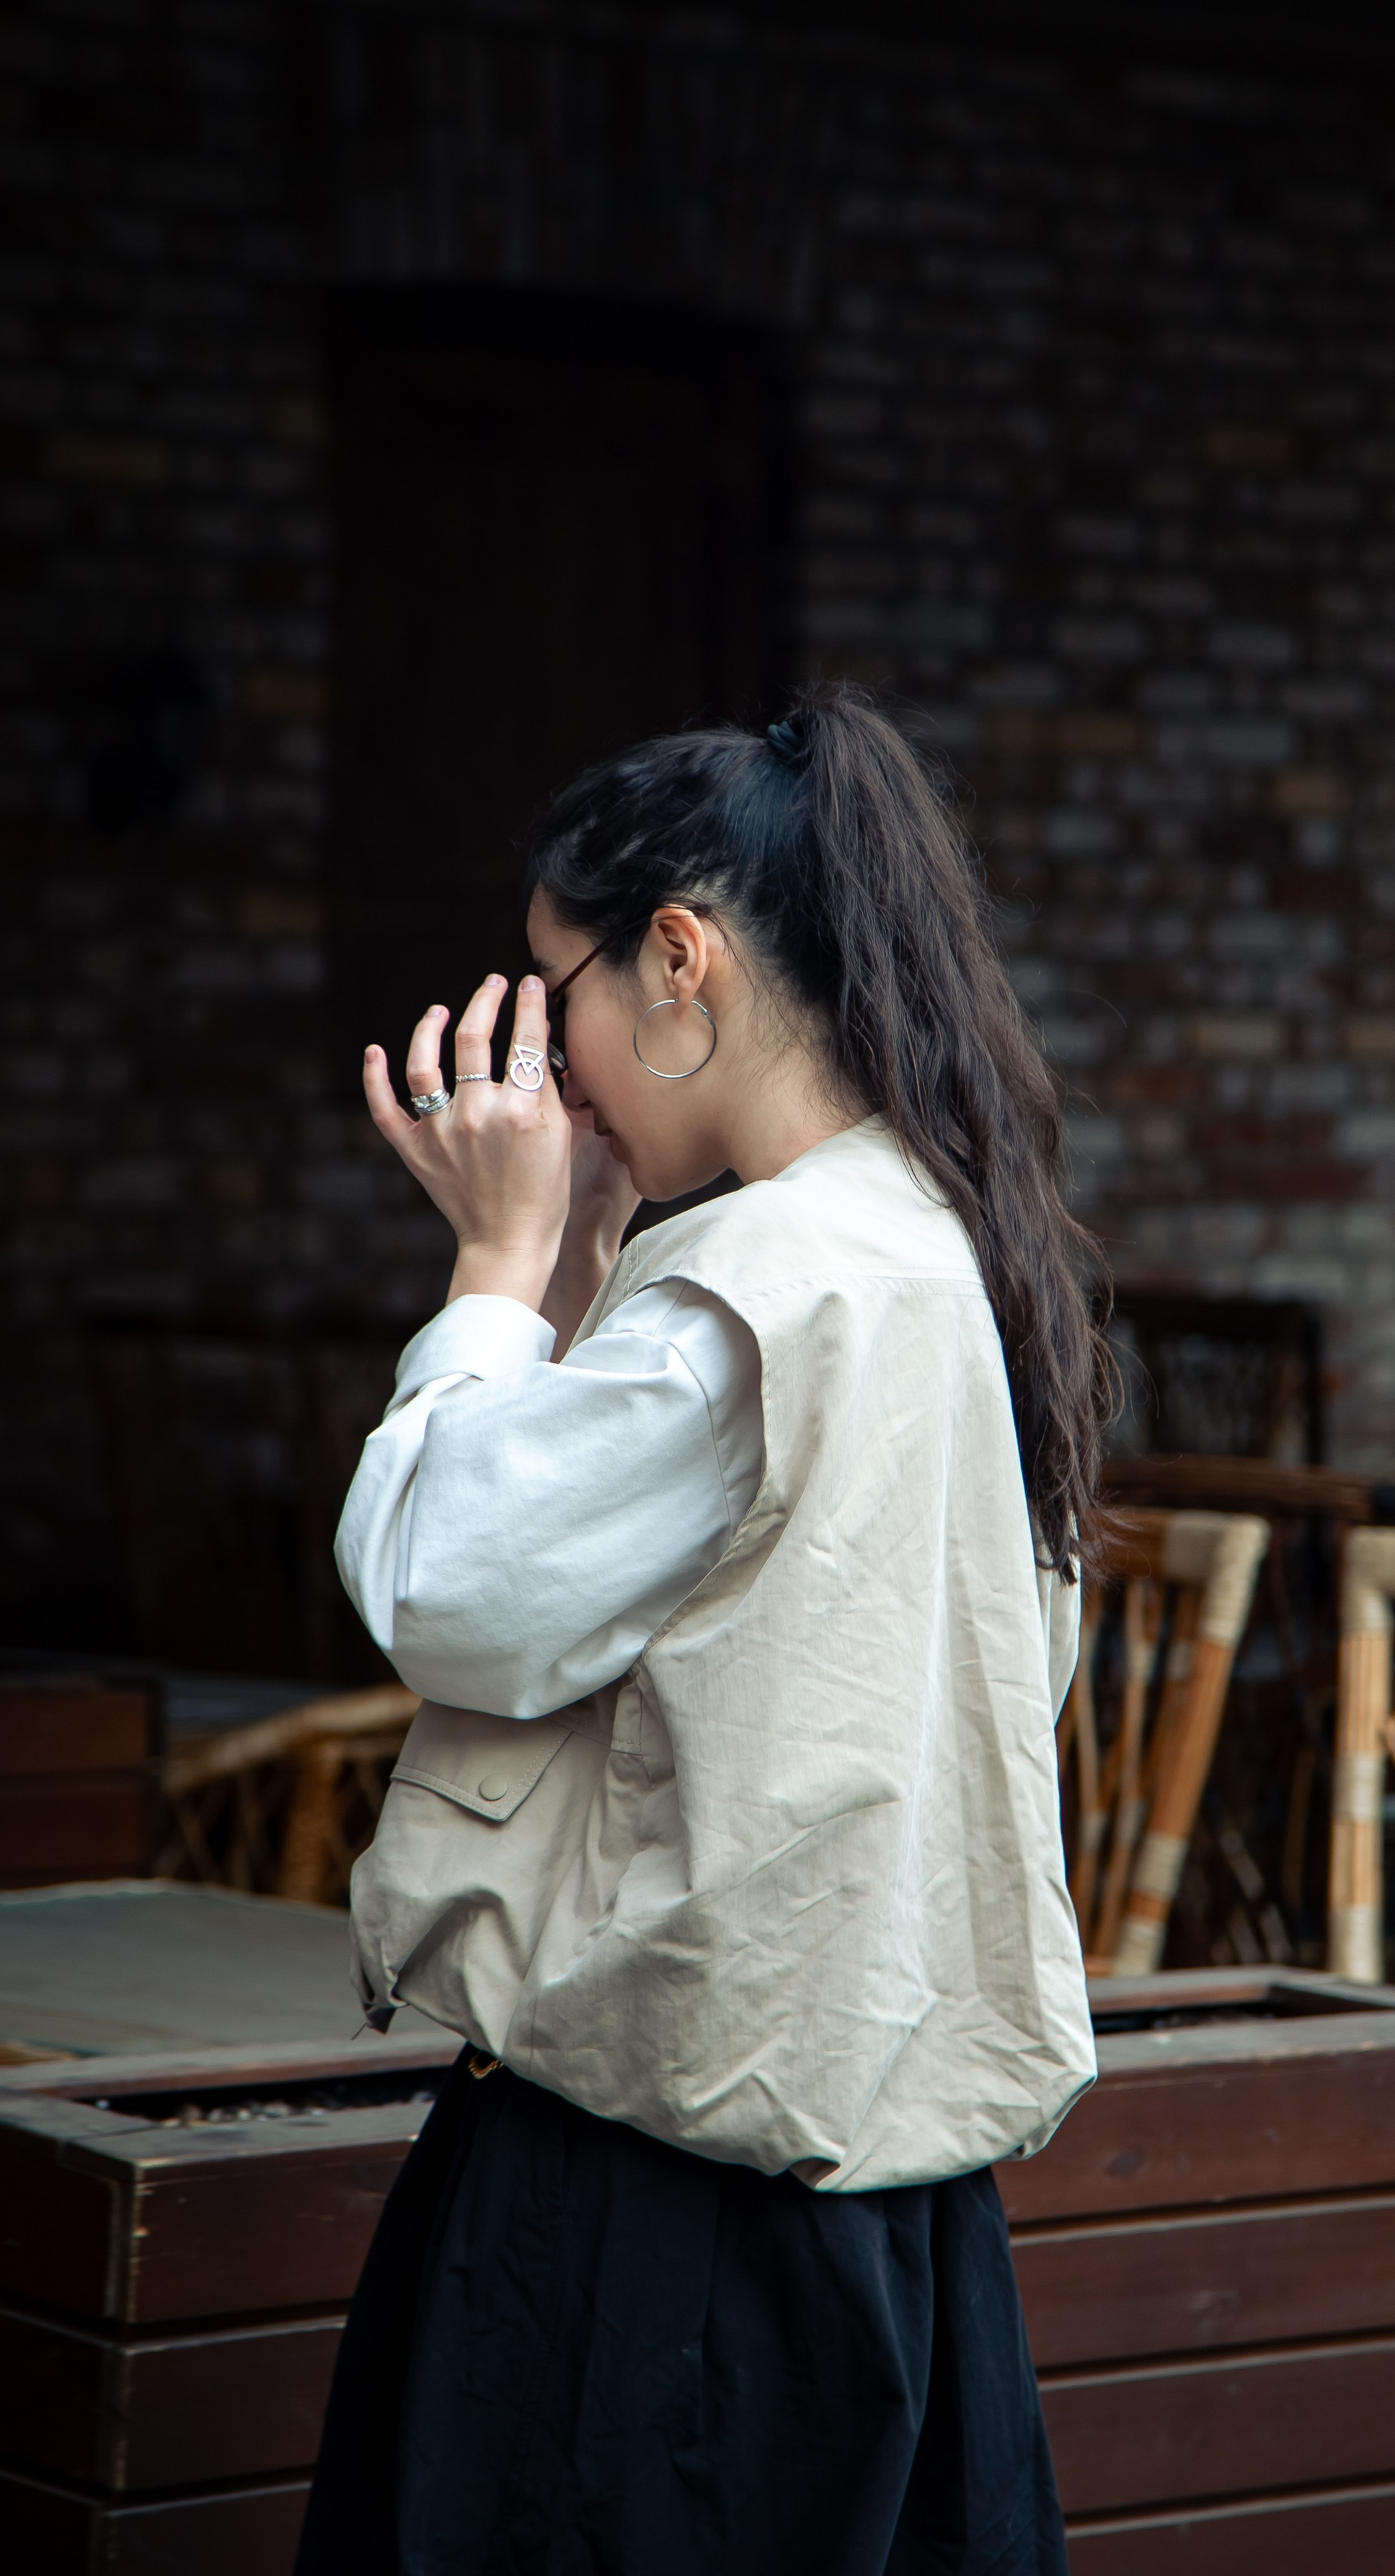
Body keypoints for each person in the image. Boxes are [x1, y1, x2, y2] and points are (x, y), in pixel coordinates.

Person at [295, 687, 1107, 2576]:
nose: (553, 1063)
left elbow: (450, 1595)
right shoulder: (934, 1240)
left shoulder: (760, 1279)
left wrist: (496, 1280)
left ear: (680, 962)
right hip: (890, 2203)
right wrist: (580, 1270)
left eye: (555, 987)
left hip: (653, 2218)